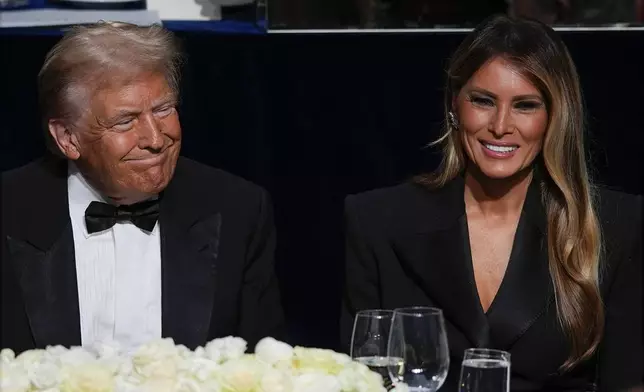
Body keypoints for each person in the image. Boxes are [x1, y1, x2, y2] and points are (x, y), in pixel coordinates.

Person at [341, 14, 642, 392]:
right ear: (455, 106)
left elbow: (628, 382)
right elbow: (357, 380)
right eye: (483, 101)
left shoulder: (616, 225)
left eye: (525, 105)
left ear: (555, 117)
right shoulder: (377, 221)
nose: (500, 125)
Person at [1, 22, 284, 354]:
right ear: (67, 138)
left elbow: (264, 366)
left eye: (163, 110)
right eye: (125, 121)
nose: (154, 139)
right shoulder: (9, 210)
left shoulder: (238, 208)